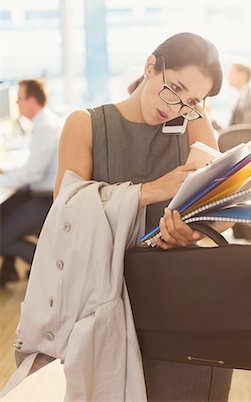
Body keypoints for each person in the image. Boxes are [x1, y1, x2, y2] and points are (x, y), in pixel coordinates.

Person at [54, 32, 233, 401]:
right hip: (107, 306)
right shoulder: (85, 125)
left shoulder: (193, 124)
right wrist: (151, 190)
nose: (177, 107)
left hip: (184, 308)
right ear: (151, 66)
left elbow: (222, 210)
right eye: (174, 89)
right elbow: (64, 217)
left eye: (192, 100)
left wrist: (192, 232)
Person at [0, 79, 62, 287]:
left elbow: (34, 173)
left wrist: (4, 178)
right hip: (42, 193)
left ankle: (51, 272)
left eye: (20, 99)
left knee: (1, 237)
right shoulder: (44, 122)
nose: (17, 104)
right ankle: (8, 272)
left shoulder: (44, 126)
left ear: (32, 100)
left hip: (45, 199)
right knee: (4, 211)